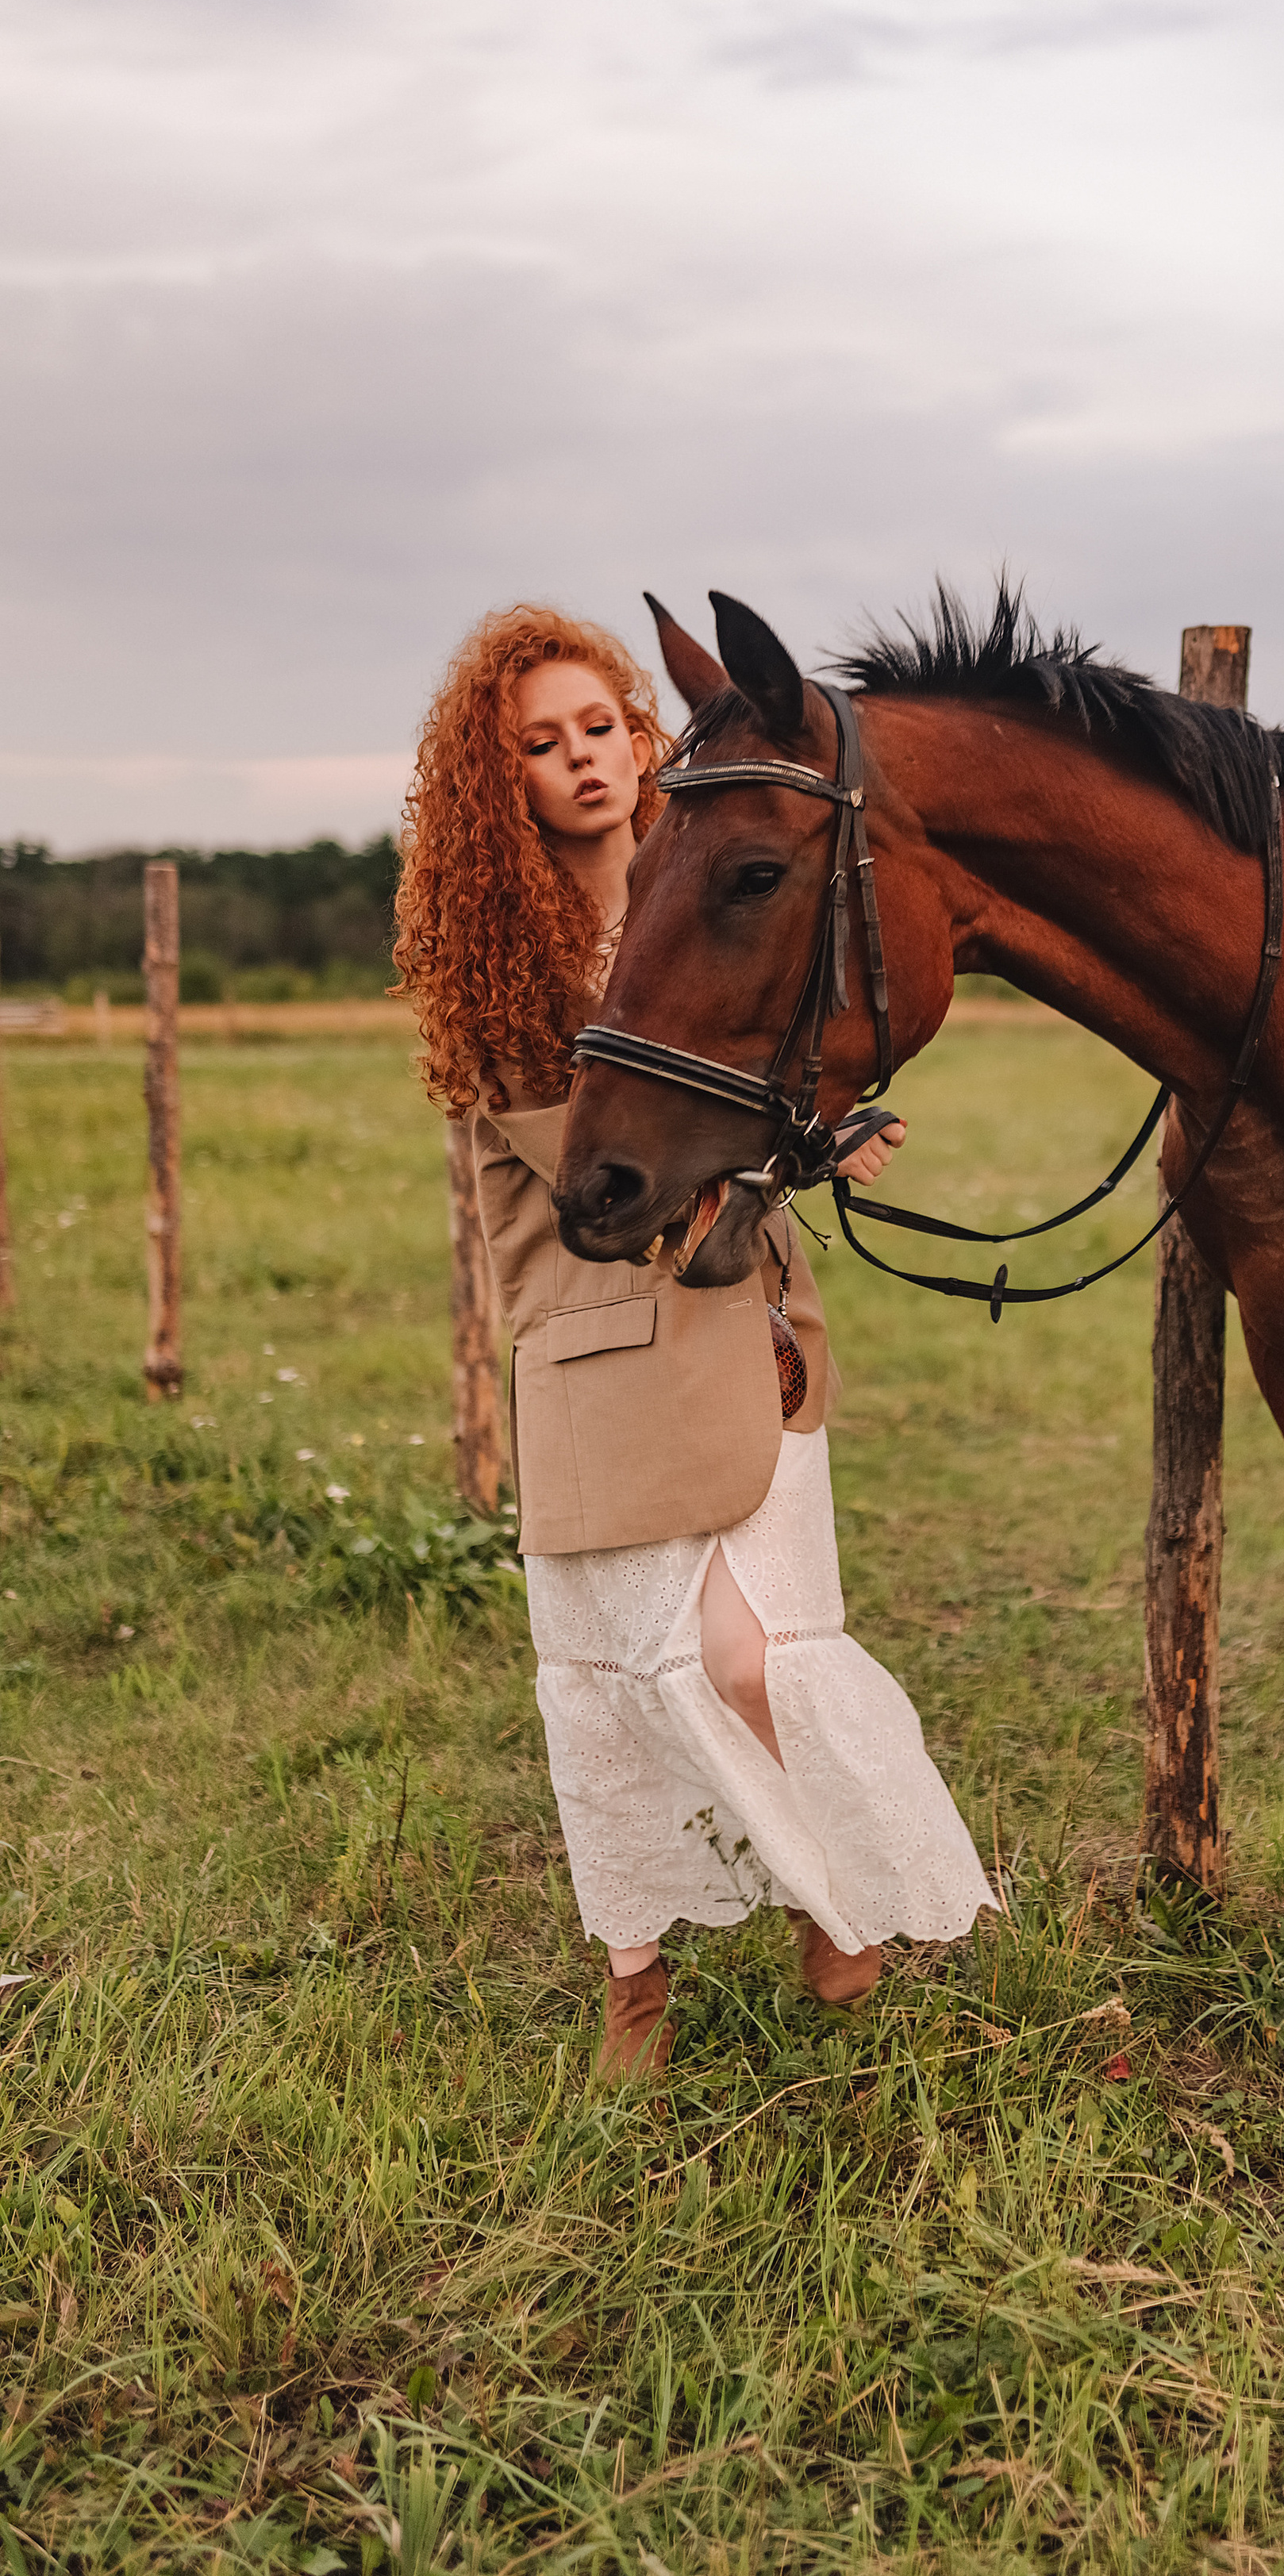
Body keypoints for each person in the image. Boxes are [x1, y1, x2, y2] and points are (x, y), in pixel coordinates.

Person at [392, 605, 995, 2078]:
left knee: (759, 1652)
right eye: (541, 744)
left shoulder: (693, 898)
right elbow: (610, 1185)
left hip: (750, 1326)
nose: (584, 759)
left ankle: (835, 1907)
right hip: (602, 1343)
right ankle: (637, 1984)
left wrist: (812, 1136)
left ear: (641, 732)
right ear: (501, 780)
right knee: (622, 1681)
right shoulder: (495, 961)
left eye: (600, 726)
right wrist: (794, 1155)